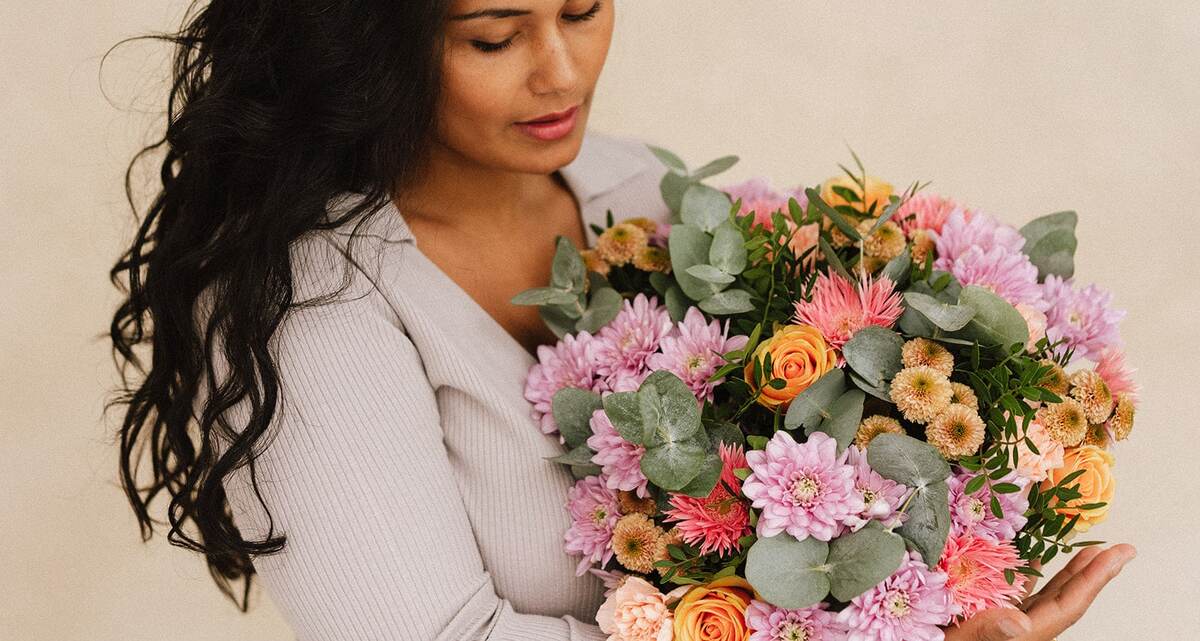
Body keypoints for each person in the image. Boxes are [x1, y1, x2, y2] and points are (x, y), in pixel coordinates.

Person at [106, 1, 1133, 640]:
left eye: (584, 5)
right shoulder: (317, 301)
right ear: (371, 39)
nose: (560, 70)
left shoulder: (642, 189)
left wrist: (928, 599)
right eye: (494, 35)